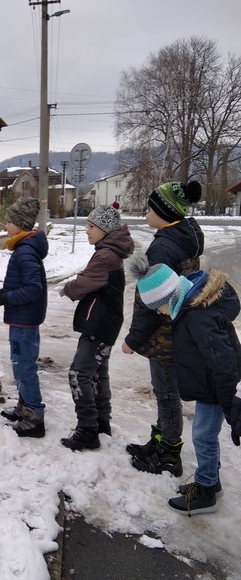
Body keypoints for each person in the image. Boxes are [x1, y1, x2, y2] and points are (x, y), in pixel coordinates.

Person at [133, 257, 241, 515]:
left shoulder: (197, 317)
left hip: (215, 388)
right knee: (205, 436)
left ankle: (205, 491)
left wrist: (230, 403)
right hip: (209, 385)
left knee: (203, 437)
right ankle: (211, 482)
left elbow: (222, 362)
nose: (159, 313)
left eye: (157, 308)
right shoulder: (191, 309)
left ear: (167, 298)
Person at [122, 180, 204, 476]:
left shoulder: (163, 248)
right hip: (175, 329)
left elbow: (151, 302)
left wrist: (132, 340)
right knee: (165, 392)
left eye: (150, 207)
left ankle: (168, 454)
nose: (146, 212)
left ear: (165, 211)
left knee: (167, 394)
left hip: (164, 334)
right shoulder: (184, 237)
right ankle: (159, 442)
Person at [58, 203, 134, 450]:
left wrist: (67, 288)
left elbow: (85, 283)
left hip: (99, 324)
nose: (87, 231)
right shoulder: (108, 252)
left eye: (91, 226)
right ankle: (101, 423)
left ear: (104, 228)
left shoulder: (105, 256)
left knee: (78, 374)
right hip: (105, 323)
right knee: (98, 373)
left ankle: (88, 429)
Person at [0, 196, 48, 438]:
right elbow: (24, 284)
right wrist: (2, 292)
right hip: (22, 318)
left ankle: (34, 418)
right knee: (21, 366)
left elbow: (33, 289)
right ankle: (24, 408)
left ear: (20, 224)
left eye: (9, 222)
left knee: (24, 368)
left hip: (24, 321)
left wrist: (4, 299)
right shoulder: (24, 248)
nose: (5, 226)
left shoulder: (25, 251)